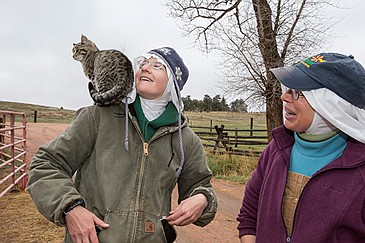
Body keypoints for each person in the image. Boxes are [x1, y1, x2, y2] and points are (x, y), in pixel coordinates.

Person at [27, 47, 217, 243]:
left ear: (173, 84)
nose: (145, 68)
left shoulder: (186, 139)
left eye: (157, 65)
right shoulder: (97, 117)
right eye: (143, 63)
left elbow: (201, 185)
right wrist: (70, 208)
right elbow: (45, 165)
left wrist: (202, 199)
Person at [237, 53, 365, 242]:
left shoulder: (360, 169)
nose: (283, 96)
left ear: (331, 105)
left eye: (297, 92)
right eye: (288, 88)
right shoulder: (276, 150)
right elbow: (249, 216)